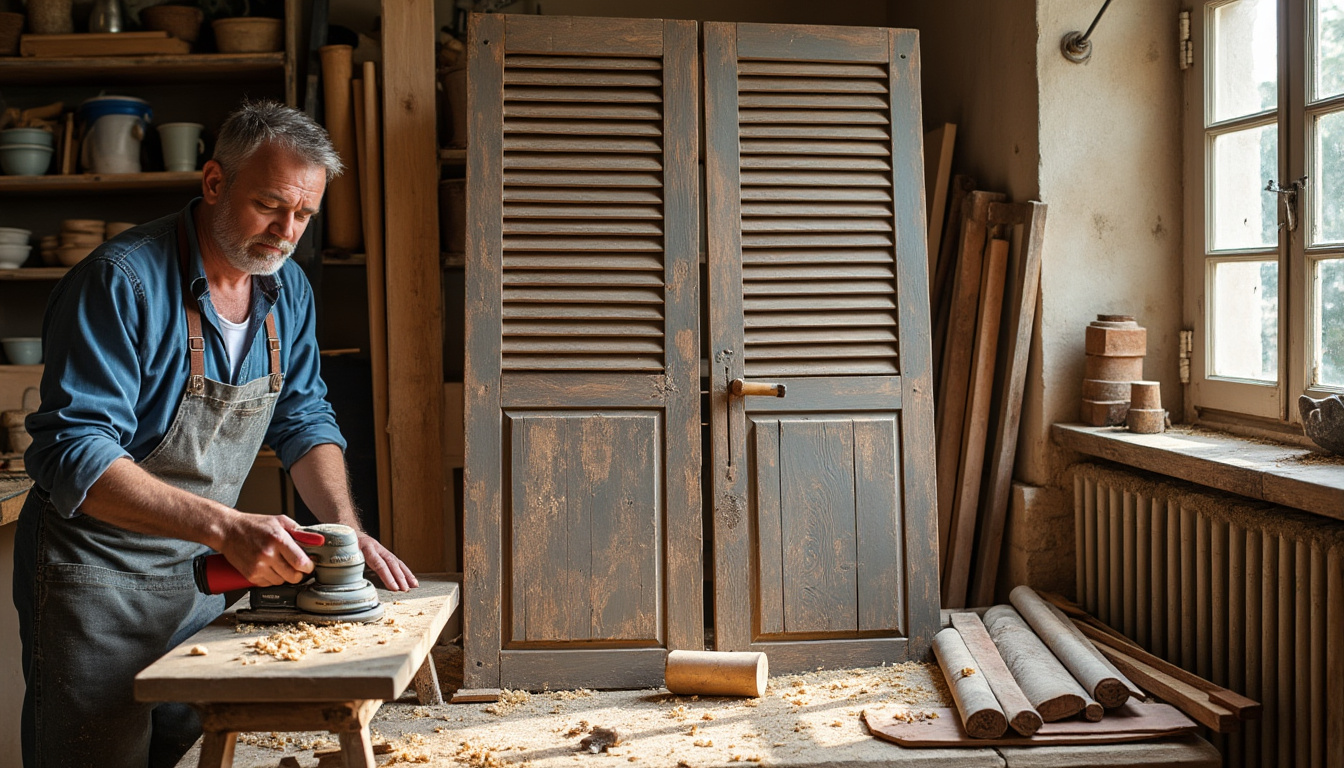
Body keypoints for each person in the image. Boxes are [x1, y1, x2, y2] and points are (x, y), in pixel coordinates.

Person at [12, 100, 417, 768]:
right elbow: (75, 452)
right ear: (213, 183)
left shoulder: (285, 290)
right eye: (269, 206)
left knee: (192, 750)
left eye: (304, 215)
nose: (286, 233)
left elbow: (303, 417)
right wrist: (228, 527)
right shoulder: (122, 283)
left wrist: (346, 530)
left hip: (200, 580)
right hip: (98, 581)